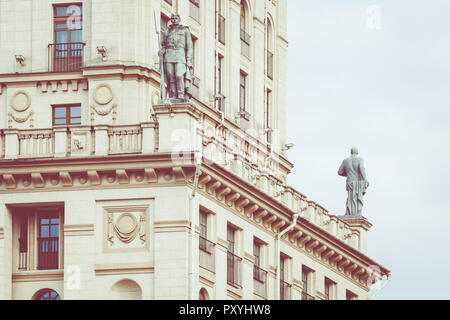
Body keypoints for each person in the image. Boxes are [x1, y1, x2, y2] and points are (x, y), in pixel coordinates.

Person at [160, 13, 194, 102]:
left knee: (179, 75)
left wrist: (189, 60)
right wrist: (161, 51)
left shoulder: (185, 30)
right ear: (171, 20)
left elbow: (189, 46)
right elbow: (163, 44)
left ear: (179, 19)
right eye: (173, 18)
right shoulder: (167, 31)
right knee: (170, 75)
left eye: (176, 18)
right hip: (169, 55)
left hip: (180, 55)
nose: (174, 20)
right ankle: (173, 95)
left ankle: (181, 94)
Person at [338, 147, 370, 217]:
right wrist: (365, 179)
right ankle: (356, 213)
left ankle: (349, 213)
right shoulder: (360, 159)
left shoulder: (345, 160)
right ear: (357, 152)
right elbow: (361, 168)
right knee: (357, 197)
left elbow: (340, 172)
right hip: (357, 181)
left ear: (351, 152)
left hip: (349, 181)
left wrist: (348, 173)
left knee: (350, 197)